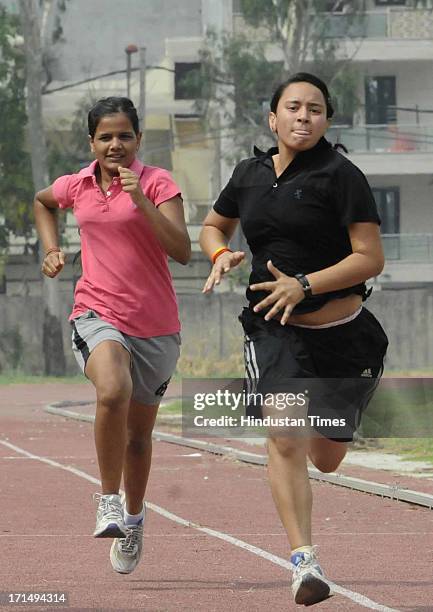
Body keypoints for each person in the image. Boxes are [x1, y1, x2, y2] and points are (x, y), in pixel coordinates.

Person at [199, 73, 388, 606]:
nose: (304, 117)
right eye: (294, 107)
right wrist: (221, 254)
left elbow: (370, 257)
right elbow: (213, 227)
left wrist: (304, 284)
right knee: (284, 433)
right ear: (272, 117)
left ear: (327, 120)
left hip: (345, 335)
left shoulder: (340, 175)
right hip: (272, 329)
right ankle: (304, 561)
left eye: (316, 110)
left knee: (326, 458)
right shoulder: (248, 174)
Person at [34, 97, 191, 574]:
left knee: (139, 438)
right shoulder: (78, 184)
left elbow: (183, 250)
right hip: (97, 311)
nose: (115, 144)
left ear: (138, 139)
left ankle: (135, 519)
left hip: (157, 325)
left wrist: (140, 200)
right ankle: (107, 498)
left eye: (124, 135)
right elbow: (43, 202)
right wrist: (52, 248)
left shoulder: (158, 183)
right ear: (92, 143)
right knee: (113, 389)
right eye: (105, 137)